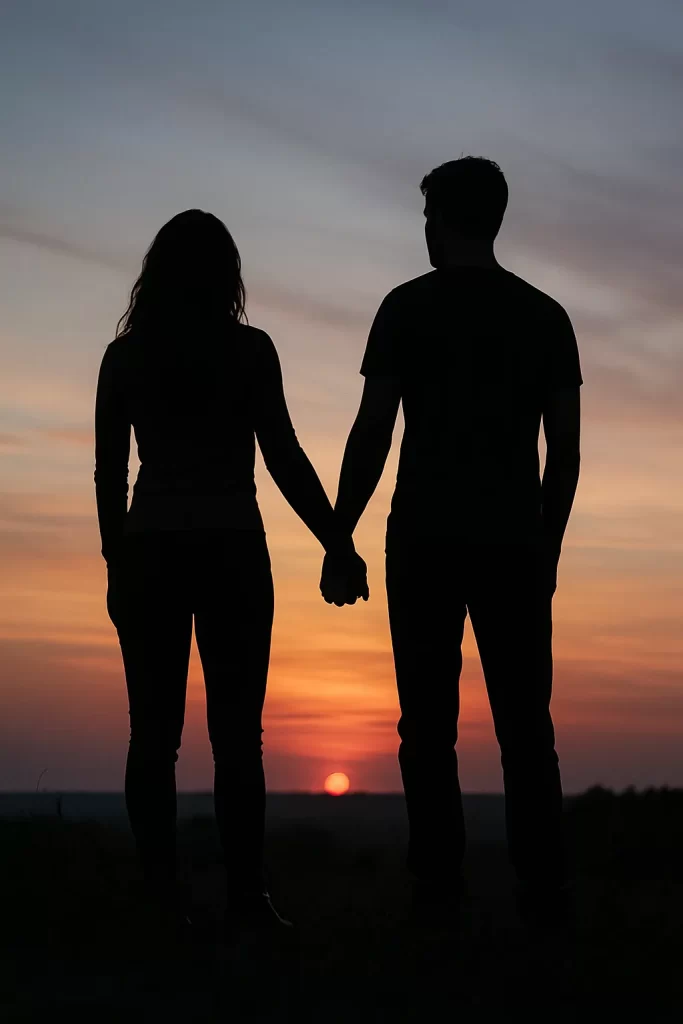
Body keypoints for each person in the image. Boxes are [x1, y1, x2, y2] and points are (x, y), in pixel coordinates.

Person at [321, 157, 582, 927]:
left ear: (443, 220)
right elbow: (562, 452)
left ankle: (438, 890)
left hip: (425, 539)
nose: (425, 230)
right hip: (511, 542)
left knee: (426, 727)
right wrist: (549, 546)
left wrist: (340, 535)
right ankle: (542, 893)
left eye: (428, 216)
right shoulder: (544, 316)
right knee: (525, 726)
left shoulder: (405, 308)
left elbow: (373, 431)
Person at [95, 209, 367, 939]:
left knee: (152, 737)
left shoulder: (125, 357)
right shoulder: (248, 351)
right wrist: (335, 540)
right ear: (227, 276)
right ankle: (245, 901)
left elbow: (109, 474)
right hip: (231, 551)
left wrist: (115, 562)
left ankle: (164, 905)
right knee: (236, 738)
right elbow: (281, 454)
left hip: (151, 549)